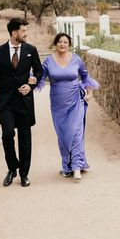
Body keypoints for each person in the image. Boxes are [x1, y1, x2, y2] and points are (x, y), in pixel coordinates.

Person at [0, 18, 43, 187]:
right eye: (23, 31)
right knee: (7, 134)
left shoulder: (30, 50)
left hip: (24, 102)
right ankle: (12, 168)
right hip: (5, 102)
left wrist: (31, 85)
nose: (26, 34)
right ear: (14, 33)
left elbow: (39, 71)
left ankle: (24, 174)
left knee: (25, 138)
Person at [37, 32, 99, 181]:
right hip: (58, 103)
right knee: (63, 136)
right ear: (55, 44)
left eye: (65, 42)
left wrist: (90, 94)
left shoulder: (76, 59)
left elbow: (85, 76)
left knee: (76, 132)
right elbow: (40, 77)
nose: (62, 44)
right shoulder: (48, 61)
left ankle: (76, 166)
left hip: (75, 100)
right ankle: (67, 165)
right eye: (59, 42)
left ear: (69, 44)